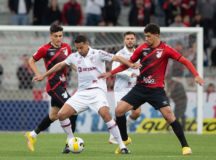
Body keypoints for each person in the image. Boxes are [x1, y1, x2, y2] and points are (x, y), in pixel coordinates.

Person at [99, 23, 204, 155]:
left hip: (156, 90)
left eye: (148, 36)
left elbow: (185, 61)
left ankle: (185, 146)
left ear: (156, 35)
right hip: (140, 88)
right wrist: (111, 73)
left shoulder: (166, 49)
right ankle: (125, 139)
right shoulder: (142, 48)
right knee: (119, 111)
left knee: (169, 116)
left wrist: (196, 75)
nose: (146, 39)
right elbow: (128, 64)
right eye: (145, 36)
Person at [33, 35, 141, 154]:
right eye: (77, 48)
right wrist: (43, 75)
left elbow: (117, 58)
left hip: (97, 91)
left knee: (106, 114)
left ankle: (122, 146)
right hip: (82, 93)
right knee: (61, 114)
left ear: (87, 44)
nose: (79, 50)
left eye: (81, 48)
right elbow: (59, 65)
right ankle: (70, 139)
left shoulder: (98, 53)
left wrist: (131, 65)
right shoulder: (74, 56)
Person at [25, 24, 77, 154]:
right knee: (73, 110)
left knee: (54, 115)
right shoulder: (45, 49)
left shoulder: (67, 47)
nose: (58, 38)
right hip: (54, 86)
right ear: (51, 36)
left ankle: (32, 135)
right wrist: (38, 74)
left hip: (62, 85)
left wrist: (83, 71)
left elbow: (71, 63)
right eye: (56, 36)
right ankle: (69, 143)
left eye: (60, 36)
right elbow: (31, 60)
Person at [108, 31, 141, 144]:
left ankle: (119, 131)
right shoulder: (120, 54)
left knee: (136, 113)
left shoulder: (138, 53)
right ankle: (116, 136)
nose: (130, 40)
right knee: (120, 113)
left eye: (132, 38)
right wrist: (130, 74)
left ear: (135, 40)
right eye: (128, 38)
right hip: (121, 89)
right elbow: (115, 71)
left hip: (134, 88)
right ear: (124, 40)